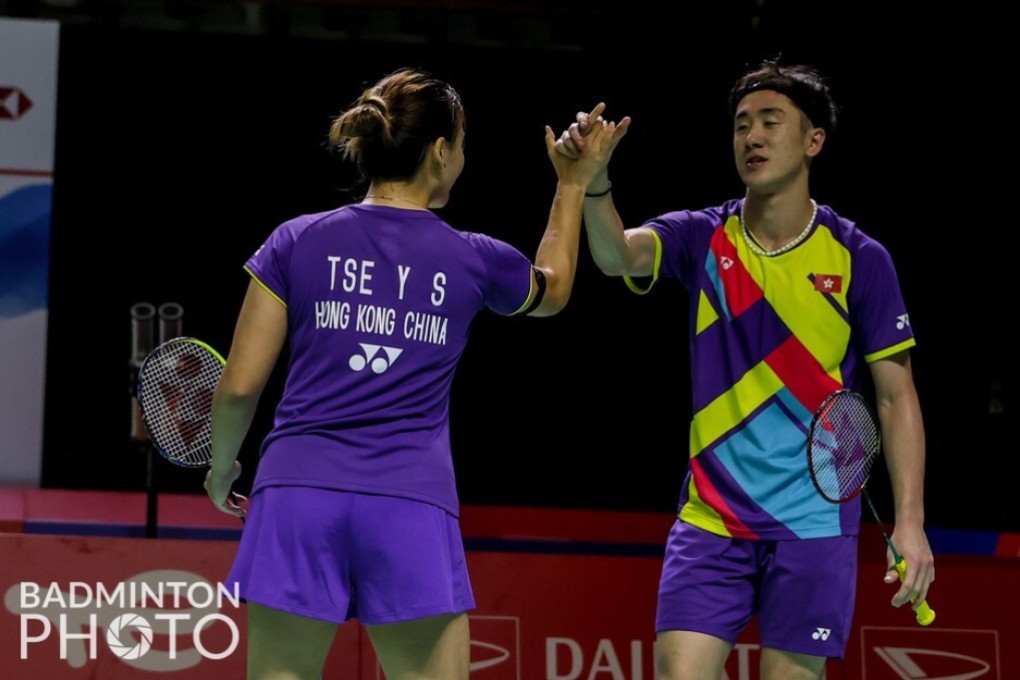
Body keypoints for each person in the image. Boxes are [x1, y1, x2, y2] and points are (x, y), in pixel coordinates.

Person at [202, 68, 617, 680]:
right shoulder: (472, 257)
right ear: (440, 151)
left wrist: (221, 470)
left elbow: (239, 387)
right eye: (464, 144)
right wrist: (572, 184)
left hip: (296, 495)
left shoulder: (295, 240)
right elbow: (552, 291)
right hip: (408, 504)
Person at [556, 60, 935, 679]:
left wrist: (911, 523)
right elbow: (616, 255)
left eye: (770, 122)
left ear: (813, 140)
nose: (751, 137)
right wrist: (595, 185)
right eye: (740, 125)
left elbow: (897, 398)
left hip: (813, 522)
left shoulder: (858, 257)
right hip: (712, 516)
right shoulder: (703, 236)